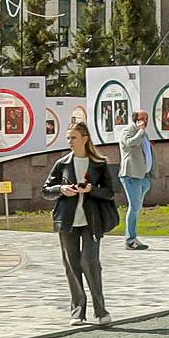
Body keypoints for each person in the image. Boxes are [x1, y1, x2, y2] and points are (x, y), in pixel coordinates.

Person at [45, 122, 117, 324]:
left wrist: (91, 189)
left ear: (85, 138)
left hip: (91, 221)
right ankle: (78, 311)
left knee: (90, 262)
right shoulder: (62, 163)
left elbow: (110, 192)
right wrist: (61, 189)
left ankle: (101, 311)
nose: (70, 142)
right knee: (72, 265)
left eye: (73, 137)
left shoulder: (99, 163)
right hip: (67, 221)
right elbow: (46, 189)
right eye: (68, 138)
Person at [116, 110, 155, 250]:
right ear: (135, 119)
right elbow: (130, 144)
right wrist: (140, 132)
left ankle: (133, 237)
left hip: (143, 177)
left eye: (146, 118)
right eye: (141, 118)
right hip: (131, 175)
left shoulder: (144, 133)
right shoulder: (128, 130)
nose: (145, 120)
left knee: (137, 209)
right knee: (134, 207)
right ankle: (130, 240)